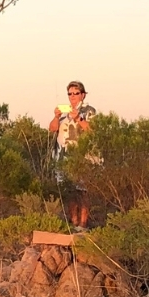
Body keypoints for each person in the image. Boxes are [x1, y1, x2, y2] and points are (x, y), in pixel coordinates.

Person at [50, 80, 96, 228]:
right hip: (64, 158)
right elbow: (52, 129)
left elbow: (92, 129)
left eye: (76, 93)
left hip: (82, 157)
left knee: (82, 192)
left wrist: (78, 118)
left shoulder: (89, 111)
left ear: (82, 94)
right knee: (69, 191)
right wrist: (57, 116)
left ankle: (83, 224)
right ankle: (73, 222)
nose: (73, 96)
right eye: (70, 93)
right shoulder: (65, 113)